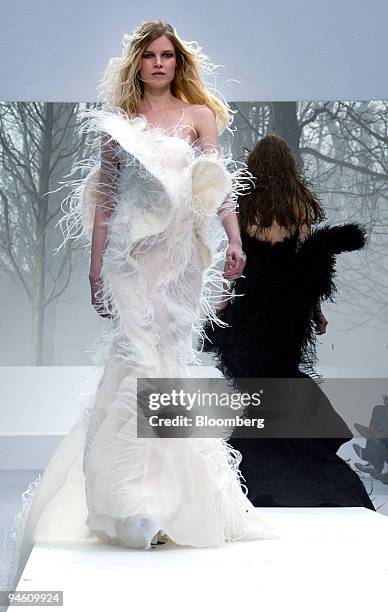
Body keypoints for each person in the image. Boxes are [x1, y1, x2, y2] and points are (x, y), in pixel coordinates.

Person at [0, 21, 276, 599]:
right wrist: (97, 265)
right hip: (130, 253)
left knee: (167, 364)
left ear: (178, 63)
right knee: (136, 358)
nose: (157, 64)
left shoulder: (199, 117)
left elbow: (216, 185)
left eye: (166, 55)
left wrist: (235, 239)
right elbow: (104, 198)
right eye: (149, 55)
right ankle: (133, 503)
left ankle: (167, 498)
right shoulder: (119, 126)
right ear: (137, 63)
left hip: (178, 259)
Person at [202, 134, 376, 510]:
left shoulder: (242, 205)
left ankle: (255, 474)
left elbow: (233, 263)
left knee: (254, 393)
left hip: (251, 307)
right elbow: (305, 269)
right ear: (287, 165)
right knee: (283, 382)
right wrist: (315, 311)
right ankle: (302, 467)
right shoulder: (297, 206)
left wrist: (220, 306)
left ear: (255, 166)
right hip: (287, 311)